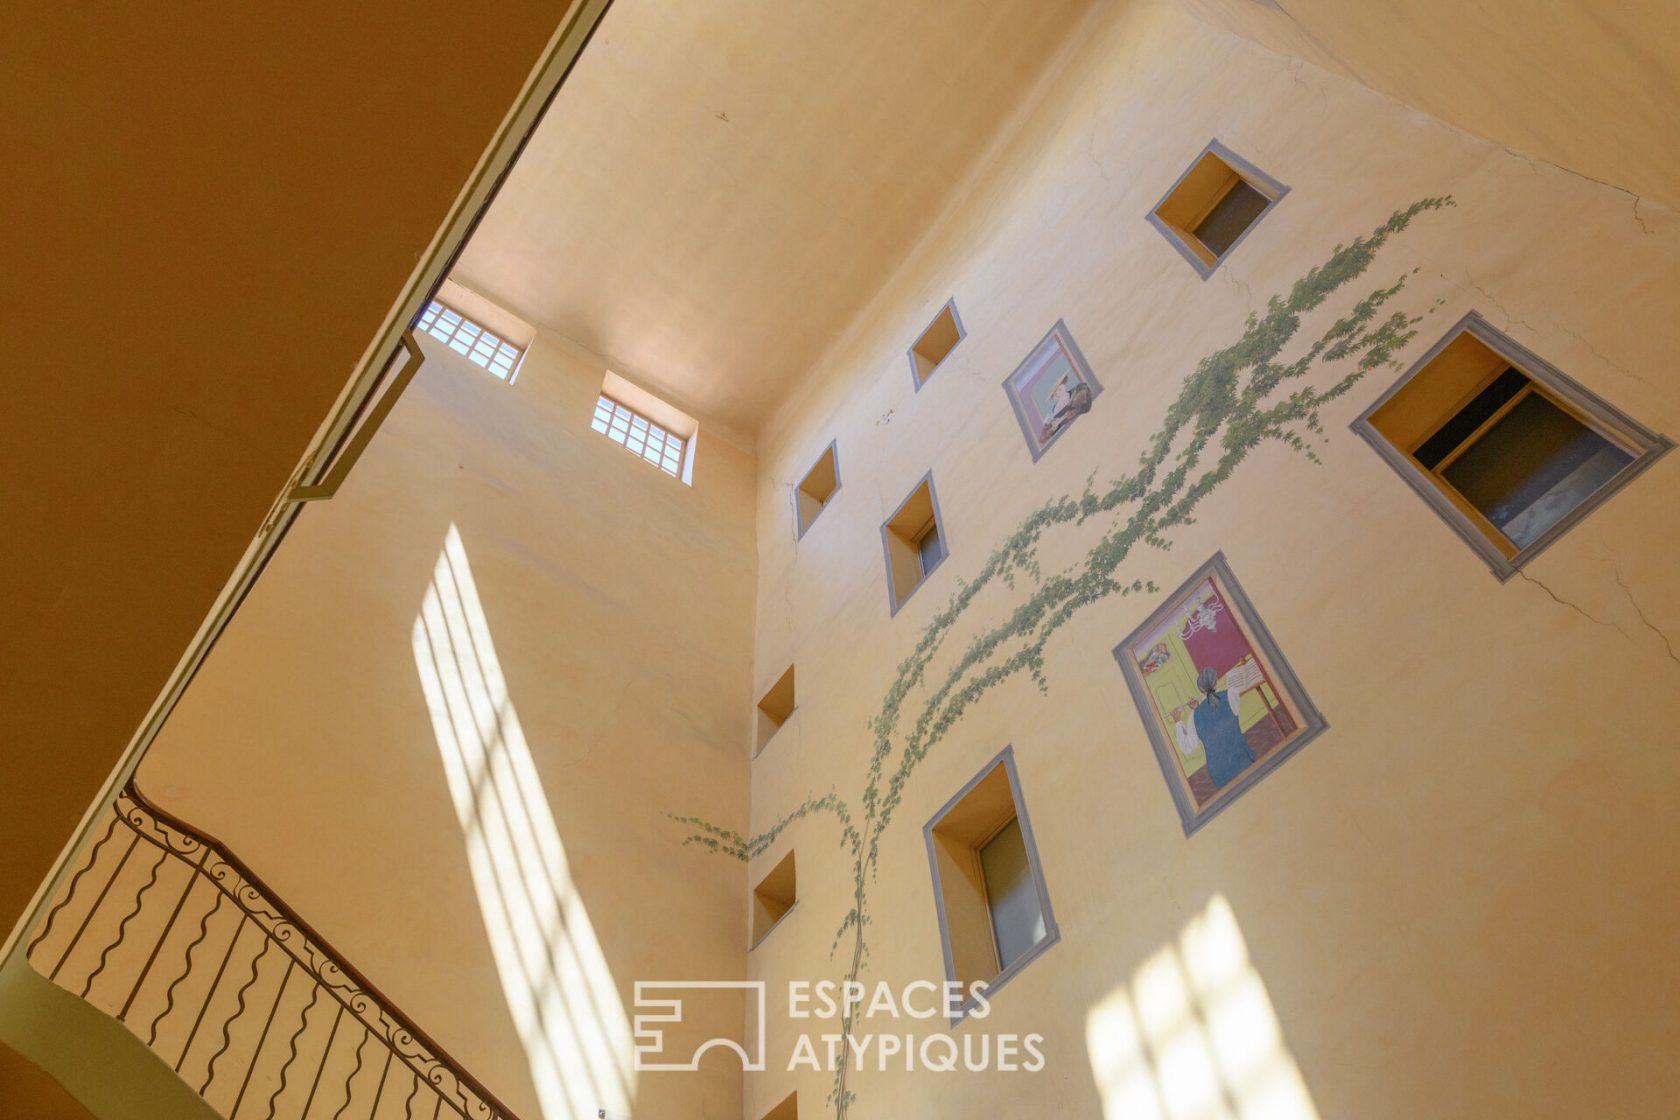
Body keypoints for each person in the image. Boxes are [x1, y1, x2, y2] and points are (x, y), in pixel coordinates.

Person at [1191, 665, 1255, 789]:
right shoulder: (1230, 694)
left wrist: (1182, 719)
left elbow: (1190, 746)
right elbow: (1233, 710)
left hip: (1219, 774)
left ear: (1201, 690)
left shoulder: (1195, 715)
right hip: (1242, 760)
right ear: (1216, 683)